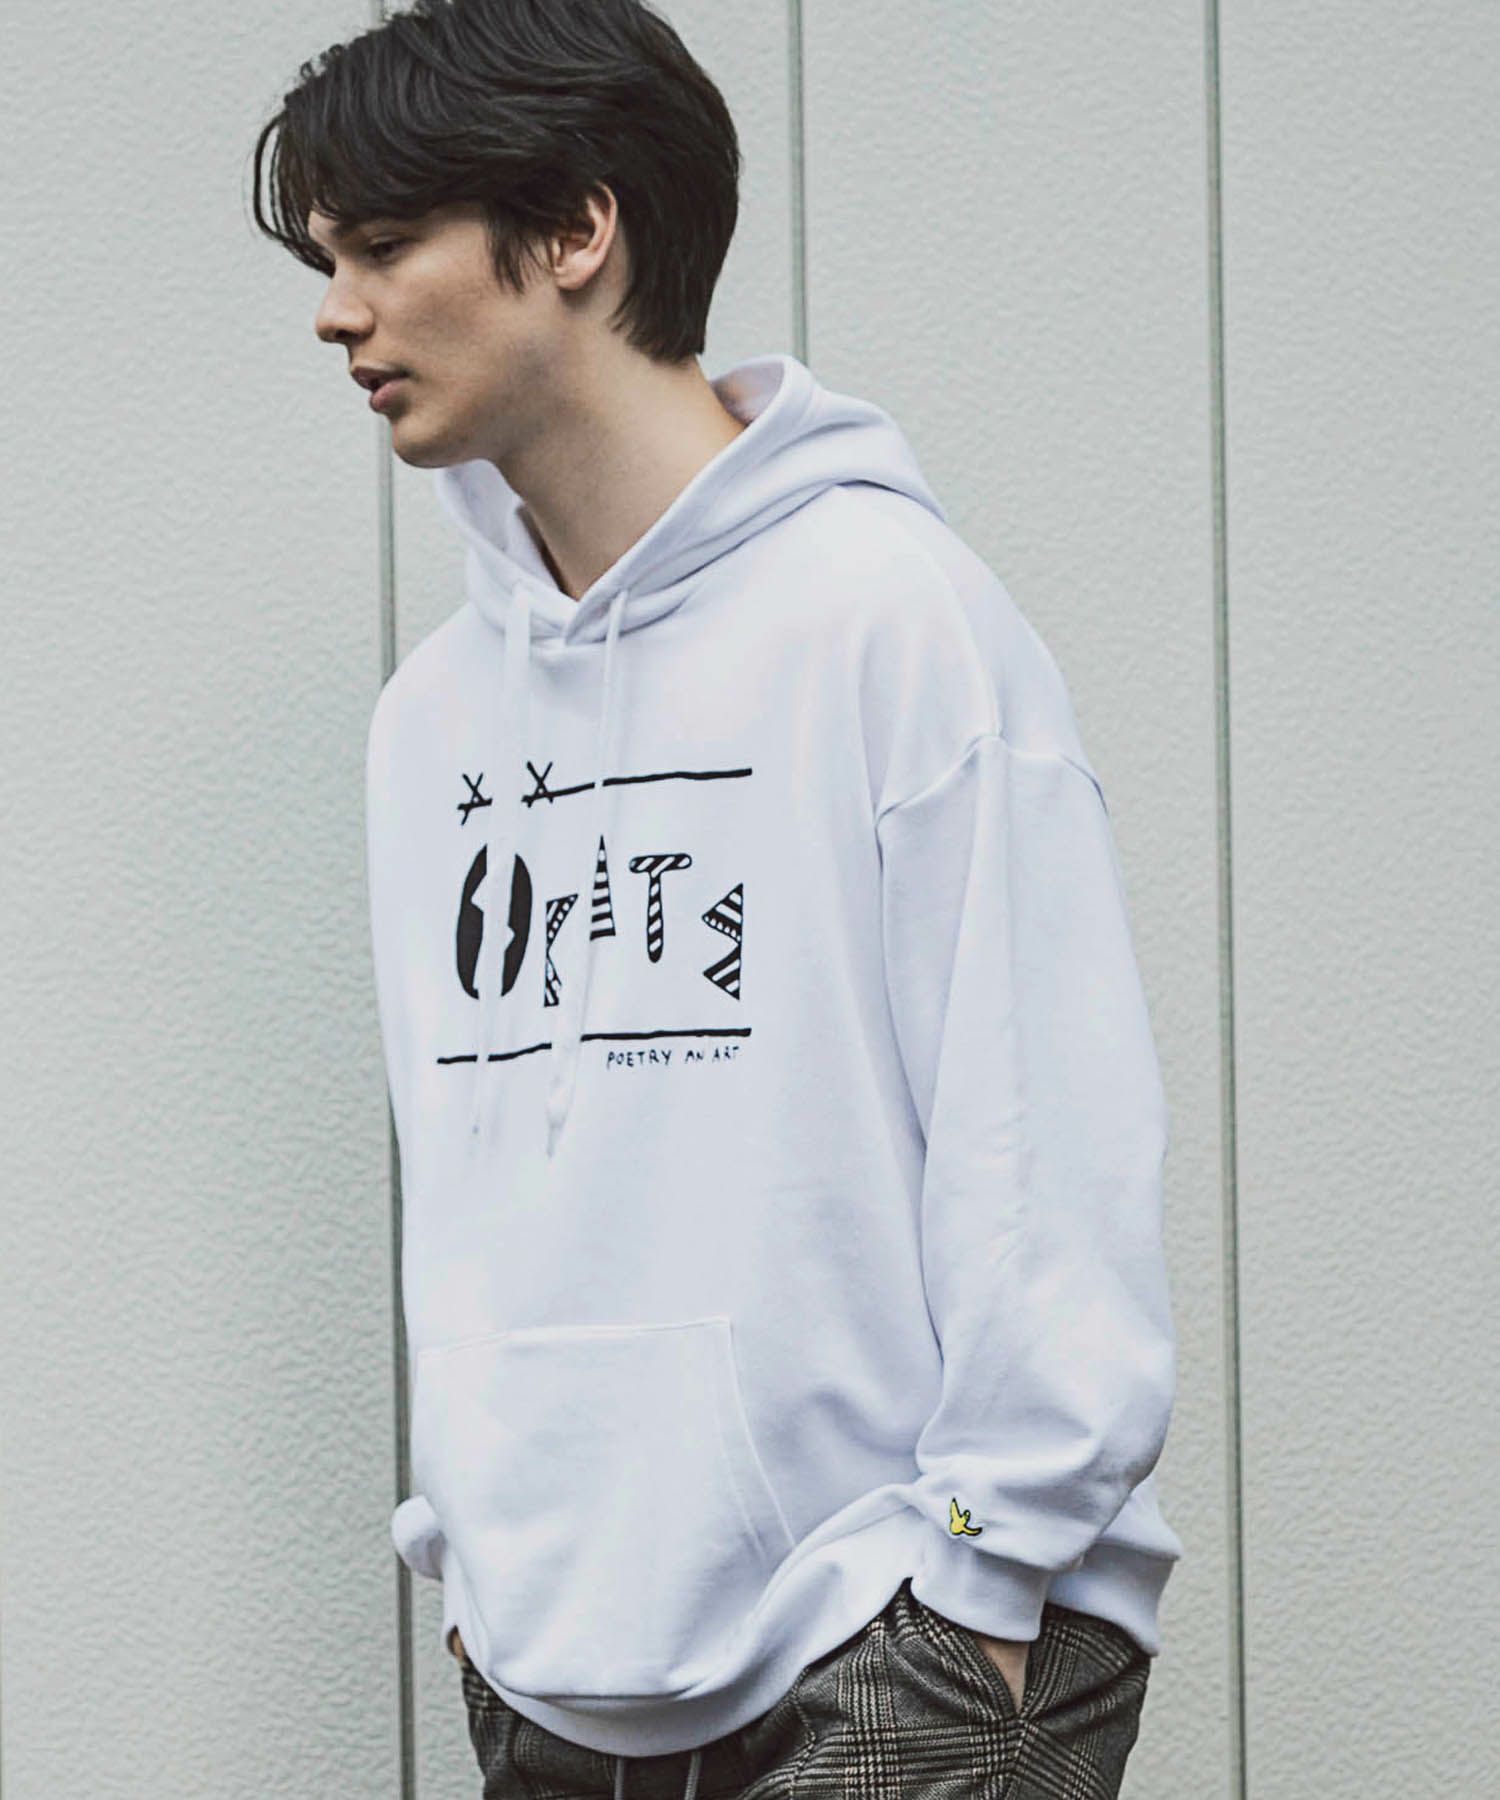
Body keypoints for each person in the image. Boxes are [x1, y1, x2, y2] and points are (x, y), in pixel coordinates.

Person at [254, 2, 1184, 1794]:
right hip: (555, 1665)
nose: (336, 311)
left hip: (912, 1639)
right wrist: (481, 1548)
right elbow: (475, 1177)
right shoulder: (433, 721)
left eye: (383, 245)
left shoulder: (890, 617)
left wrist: (988, 1571)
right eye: (327, 260)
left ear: (576, 229)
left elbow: (1040, 1129)